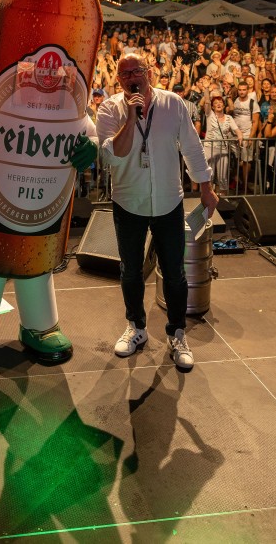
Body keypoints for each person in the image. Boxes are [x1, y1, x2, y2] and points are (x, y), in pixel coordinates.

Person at [96, 53, 218, 372]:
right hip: (129, 203)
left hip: (168, 201)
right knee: (131, 271)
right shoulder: (110, 108)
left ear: (149, 72)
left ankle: (177, 333)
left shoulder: (173, 103)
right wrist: (131, 117)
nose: (131, 77)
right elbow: (113, 156)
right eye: (125, 74)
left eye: (137, 71)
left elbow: (191, 145)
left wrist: (205, 187)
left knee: (175, 273)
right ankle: (136, 328)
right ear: (118, 79)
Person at [203, 94, 243, 194]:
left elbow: (237, 130)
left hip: (223, 150)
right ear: (212, 107)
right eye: (215, 103)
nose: (218, 104)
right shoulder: (209, 115)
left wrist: (240, 136)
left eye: (220, 102)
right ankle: (208, 200)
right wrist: (207, 90)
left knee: (223, 176)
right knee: (209, 176)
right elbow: (207, 102)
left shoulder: (229, 118)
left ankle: (223, 201)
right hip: (209, 149)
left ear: (224, 105)